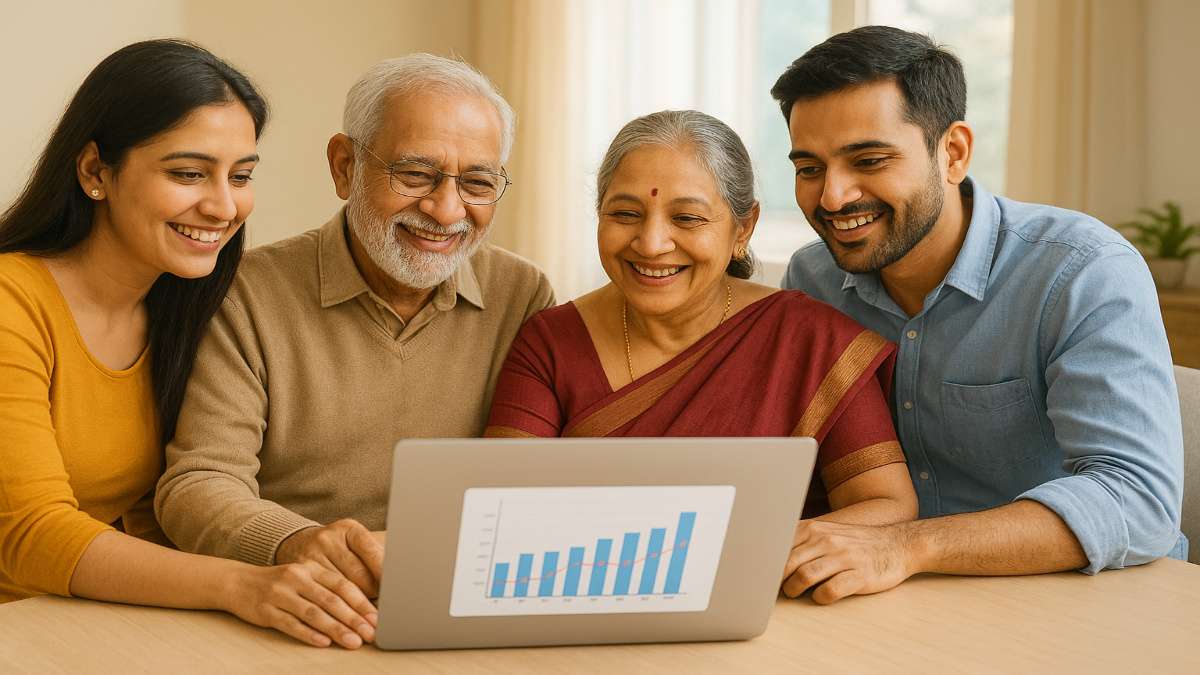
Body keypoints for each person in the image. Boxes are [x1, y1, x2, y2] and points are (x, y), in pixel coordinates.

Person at [773, 26, 1185, 603]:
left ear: (954, 153)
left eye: (868, 159)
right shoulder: (813, 280)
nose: (833, 197)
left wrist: (906, 547)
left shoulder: (1083, 270)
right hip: (891, 601)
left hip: (1089, 600)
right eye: (809, 168)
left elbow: (1138, 501)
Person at [0, 39, 378, 649]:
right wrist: (244, 585)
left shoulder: (187, 301)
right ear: (96, 171)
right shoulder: (11, 302)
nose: (224, 206)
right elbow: (33, 536)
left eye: (242, 176)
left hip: (108, 622)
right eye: (188, 173)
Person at [155, 55, 555, 597]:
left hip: (455, 589)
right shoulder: (244, 293)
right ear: (344, 166)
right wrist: (297, 542)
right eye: (415, 174)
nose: (445, 209)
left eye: (478, 182)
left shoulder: (523, 295)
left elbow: (534, 487)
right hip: (300, 594)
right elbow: (198, 484)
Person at [484, 110, 918, 594]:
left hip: (767, 606)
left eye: (687, 218)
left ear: (743, 228)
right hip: (582, 604)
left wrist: (766, 550)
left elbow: (888, 505)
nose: (651, 244)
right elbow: (501, 510)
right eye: (624, 214)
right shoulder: (550, 341)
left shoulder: (810, 338)